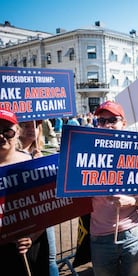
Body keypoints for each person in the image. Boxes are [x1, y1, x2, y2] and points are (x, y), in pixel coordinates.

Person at [90, 100, 138, 276]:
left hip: (131, 233)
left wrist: (130, 200)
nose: (107, 125)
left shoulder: (136, 154)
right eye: (102, 121)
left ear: (123, 123)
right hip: (99, 236)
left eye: (113, 120)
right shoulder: (85, 154)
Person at [0, 108, 50, 276]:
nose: (2, 136)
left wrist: (32, 236)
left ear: (16, 132)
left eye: (7, 131)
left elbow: (47, 208)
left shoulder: (31, 162)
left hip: (33, 247)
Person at [17, 119, 60, 276]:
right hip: (21, 217)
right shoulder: (10, 154)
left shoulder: (42, 153)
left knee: (50, 259)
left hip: (43, 217)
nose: (31, 129)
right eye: (26, 126)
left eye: (35, 125)